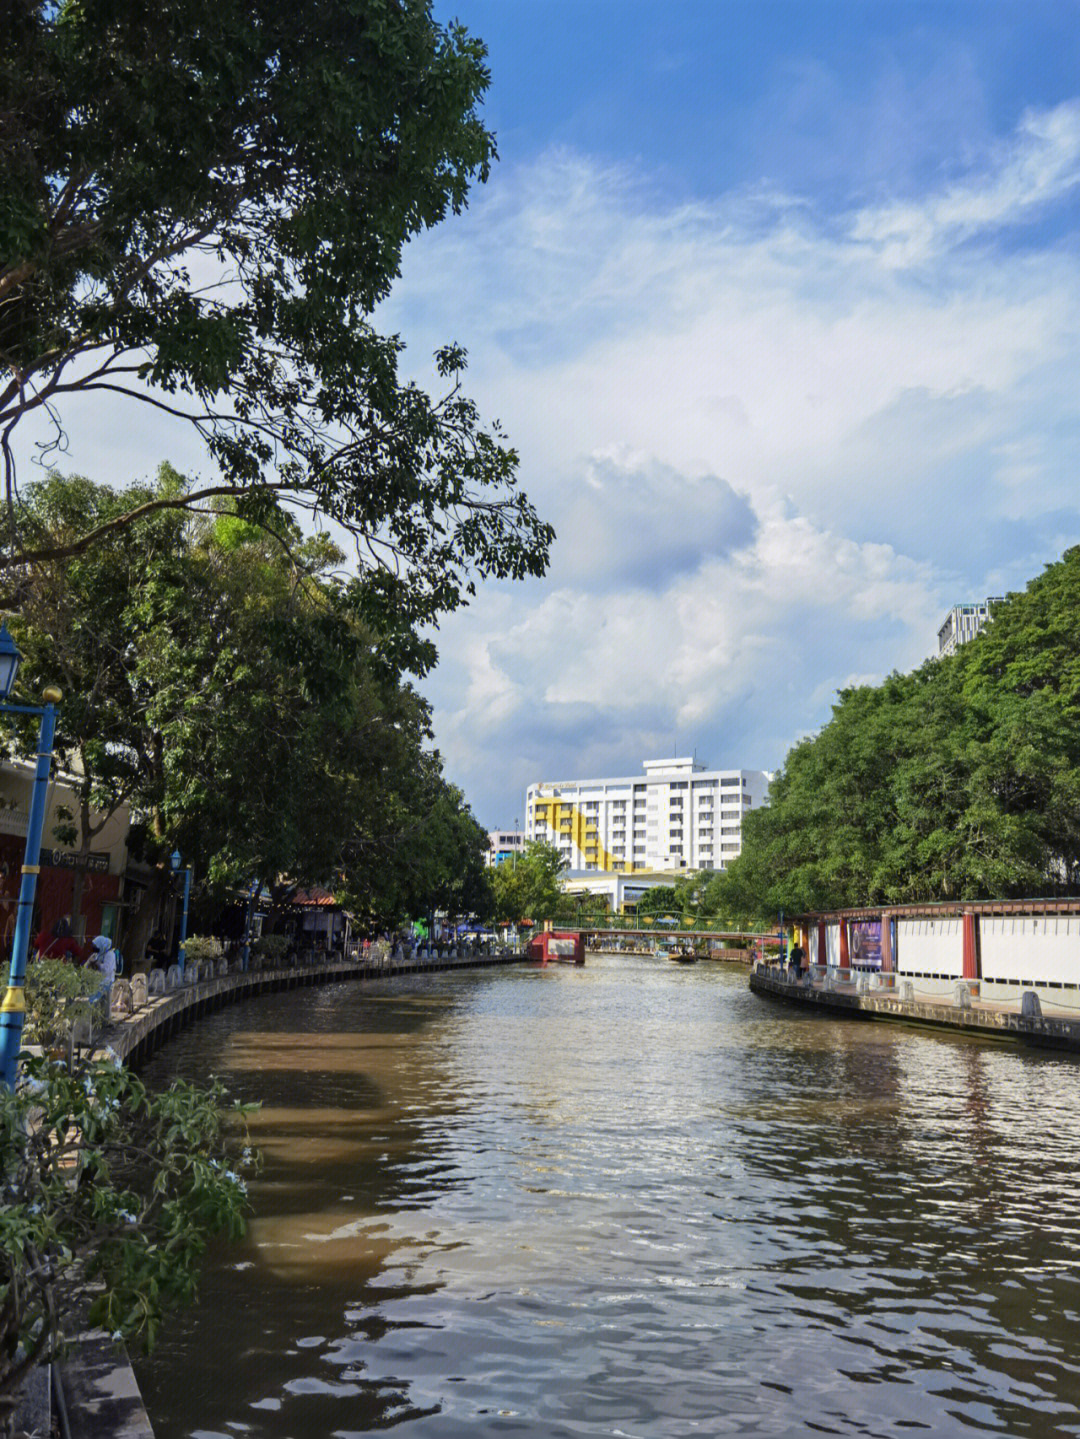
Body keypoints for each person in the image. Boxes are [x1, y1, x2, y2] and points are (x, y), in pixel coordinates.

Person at [88, 933, 118, 1000]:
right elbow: (88, 964)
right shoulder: (98, 954)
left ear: (101, 945)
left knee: (100, 1002)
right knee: (92, 1001)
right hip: (97, 982)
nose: (95, 948)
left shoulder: (110, 954)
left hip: (106, 982)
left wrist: (96, 963)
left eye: (96, 946)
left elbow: (106, 969)